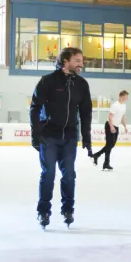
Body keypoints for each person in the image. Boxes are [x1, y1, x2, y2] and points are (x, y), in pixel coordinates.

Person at [30, 47, 93, 229]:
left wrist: (86, 138)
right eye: (77, 60)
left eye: (82, 61)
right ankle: (43, 211)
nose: (81, 64)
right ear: (65, 61)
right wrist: (36, 134)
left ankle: (68, 209)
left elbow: (86, 113)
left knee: (69, 176)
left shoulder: (81, 84)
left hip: (70, 137)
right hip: (49, 136)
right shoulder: (48, 81)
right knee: (48, 174)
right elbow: (35, 107)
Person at [93, 89, 128, 171]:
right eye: (126, 97)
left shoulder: (124, 106)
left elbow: (122, 117)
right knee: (109, 145)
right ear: (121, 96)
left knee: (111, 145)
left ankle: (97, 156)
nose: (127, 99)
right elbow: (110, 116)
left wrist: (125, 126)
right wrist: (111, 126)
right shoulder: (115, 105)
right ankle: (105, 163)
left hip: (116, 126)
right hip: (110, 126)